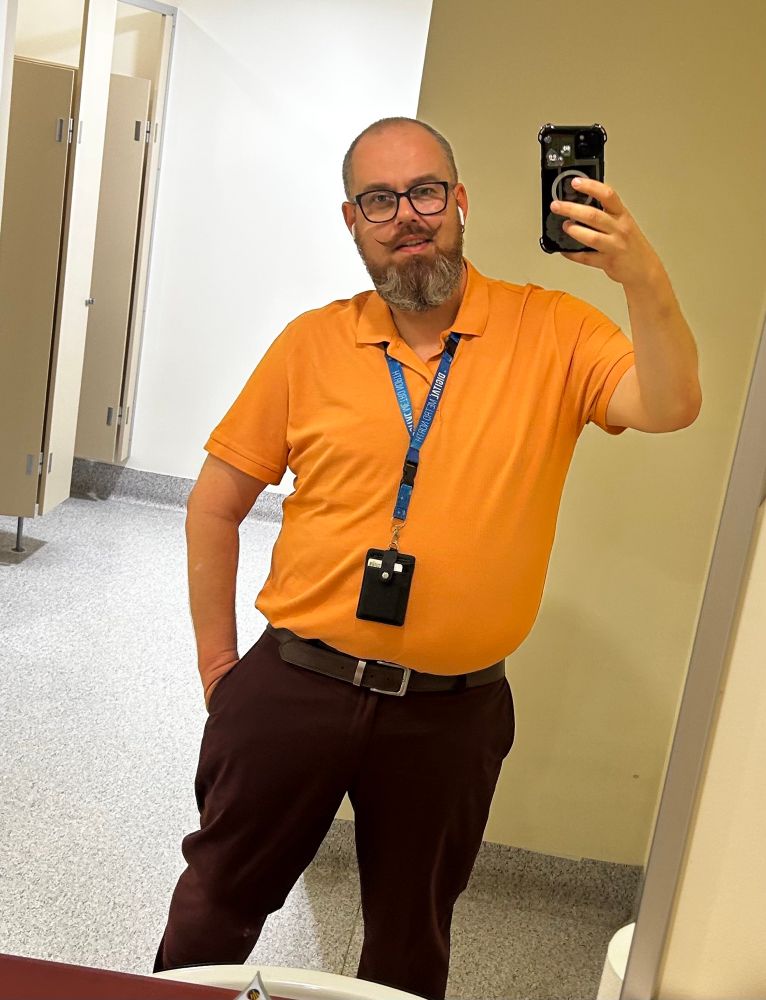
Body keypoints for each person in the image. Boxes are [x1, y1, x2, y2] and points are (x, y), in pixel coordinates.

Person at [153, 117, 701, 1000]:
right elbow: (214, 505)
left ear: (460, 201)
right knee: (213, 911)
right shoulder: (309, 343)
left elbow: (671, 404)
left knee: (412, 944)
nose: (406, 215)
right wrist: (221, 671)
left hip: (452, 713)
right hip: (295, 684)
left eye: (425, 192)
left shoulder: (554, 329)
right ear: (352, 220)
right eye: (379, 199)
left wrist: (640, 274)